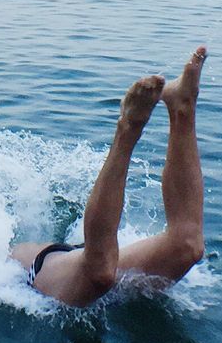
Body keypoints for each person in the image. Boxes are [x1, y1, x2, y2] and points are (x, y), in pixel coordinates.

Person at [11, 46, 207, 307]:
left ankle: (182, 107)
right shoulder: (3, 264)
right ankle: (130, 126)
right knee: (100, 273)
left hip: (73, 264)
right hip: (47, 268)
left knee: (188, 247)